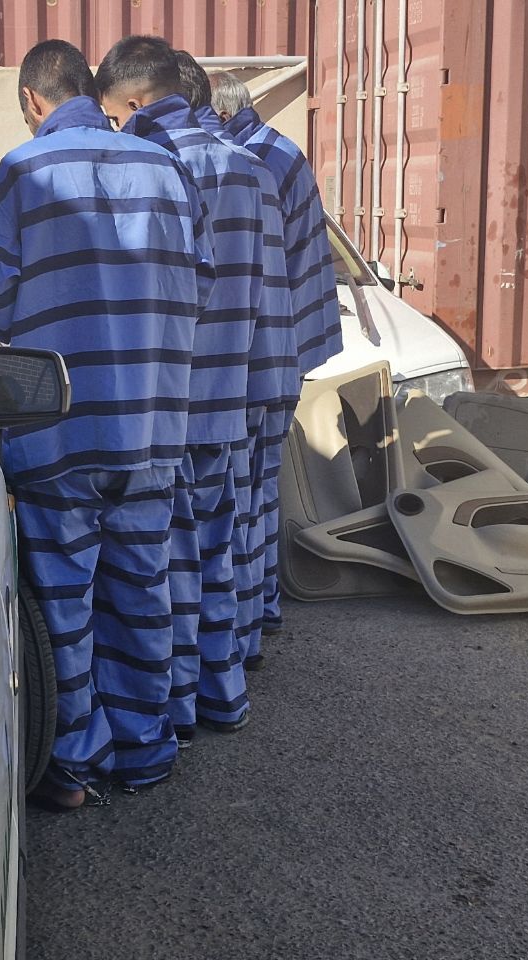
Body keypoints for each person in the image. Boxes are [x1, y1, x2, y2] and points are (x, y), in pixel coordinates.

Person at [0, 39, 214, 807]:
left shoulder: (23, 170)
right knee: (141, 588)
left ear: (32, 101)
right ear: (92, 93)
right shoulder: (166, 169)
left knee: (64, 602)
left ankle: (72, 763)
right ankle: (143, 750)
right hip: (152, 428)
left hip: (57, 429)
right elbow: (199, 285)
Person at [95, 36, 262, 737]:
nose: (111, 127)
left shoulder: (151, 161)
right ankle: (224, 696)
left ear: (136, 102)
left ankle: (180, 708)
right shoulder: (246, 164)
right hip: (228, 391)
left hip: (168, 401)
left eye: (112, 115)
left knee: (170, 569)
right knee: (219, 557)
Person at [175, 53, 301, 672]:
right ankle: (250, 631)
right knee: (250, 508)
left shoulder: (185, 164)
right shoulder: (261, 162)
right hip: (268, 355)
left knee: (211, 526)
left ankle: (220, 657)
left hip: (223, 371)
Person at [217, 72, 345, 645]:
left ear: (221, 116)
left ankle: (243, 626)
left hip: (258, 354)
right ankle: (263, 607)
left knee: (239, 496)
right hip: (282, 350)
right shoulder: (279, 151)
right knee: (261, 490)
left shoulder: (247, 162)